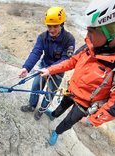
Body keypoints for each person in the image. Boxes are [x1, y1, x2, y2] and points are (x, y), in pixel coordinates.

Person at [40, 0, 115, 145]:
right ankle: (53, 115)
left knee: (69, 121)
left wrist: (91, 120)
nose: (87, 35)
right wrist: (49, 70)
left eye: (92, 31)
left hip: (84, 104)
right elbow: (71, 62)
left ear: (110, 33)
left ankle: (57, 132)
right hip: (72, 91)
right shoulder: (89, 47)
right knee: (61, 106)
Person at [19, 6, 75, 121]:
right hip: (44, 66)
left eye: (55, 26)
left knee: (50, 92)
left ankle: (41, 110)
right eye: (49, 26)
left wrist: (50, 70)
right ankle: (32, 105)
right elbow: (36, 52)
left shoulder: (69, 39)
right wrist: (26, 67)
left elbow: (66, 60)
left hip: (58, 70)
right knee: (35, 86)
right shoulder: (43, 37)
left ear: (62, 24)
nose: (52, 29)